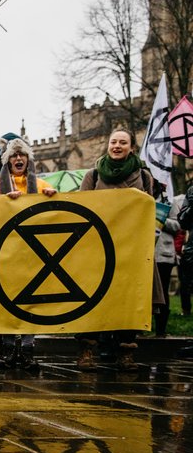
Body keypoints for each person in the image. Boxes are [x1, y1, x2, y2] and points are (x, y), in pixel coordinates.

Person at [76, 128, 158, 371]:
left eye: (123, 142)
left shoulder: (144, 177)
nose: (117, 146)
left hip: (131, 250)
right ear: (108, 145)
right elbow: (82, 210)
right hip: (99, 250)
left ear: (131, 147)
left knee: (130, 300)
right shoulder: (93, 175)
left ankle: (126, 352)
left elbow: (149, 213)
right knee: (92, 299)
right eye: (114, 142)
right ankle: (86, 351)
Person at [0, 134, 56, 371]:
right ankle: (6, 349)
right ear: (7, 160)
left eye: (21, 154)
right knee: (6, 300)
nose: (18, 158)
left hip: (34, 255)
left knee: (31, 302)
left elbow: (55, 215)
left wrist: (52, 198)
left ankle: (27, 350)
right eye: (14, 155)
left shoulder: (43, 186)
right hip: (6, 255)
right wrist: (3, 203)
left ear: (28, 159)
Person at [154, 191, 182, 336]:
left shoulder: (168, 200)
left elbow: (177, 225)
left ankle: (160, 329)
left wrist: (158, 215)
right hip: (143, 254)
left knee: (162, 291)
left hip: (163, 255)